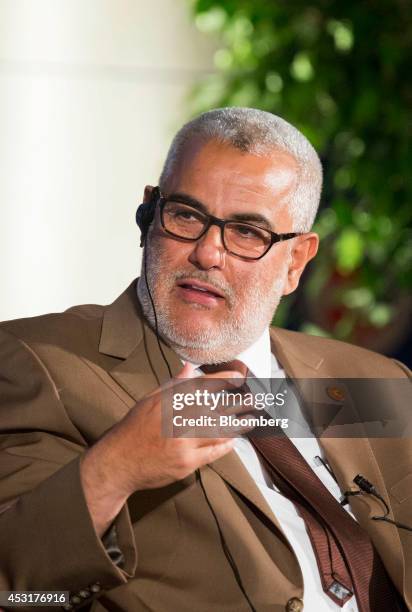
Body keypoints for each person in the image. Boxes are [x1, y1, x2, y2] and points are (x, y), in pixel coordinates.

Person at [0, 108, 410, 612]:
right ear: (149, 214)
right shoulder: (37, 361)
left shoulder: (374, 378)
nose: (208, 253)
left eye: (246, 233)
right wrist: (115, 468)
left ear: (296, 261)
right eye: (187, 216)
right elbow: (13, 590)